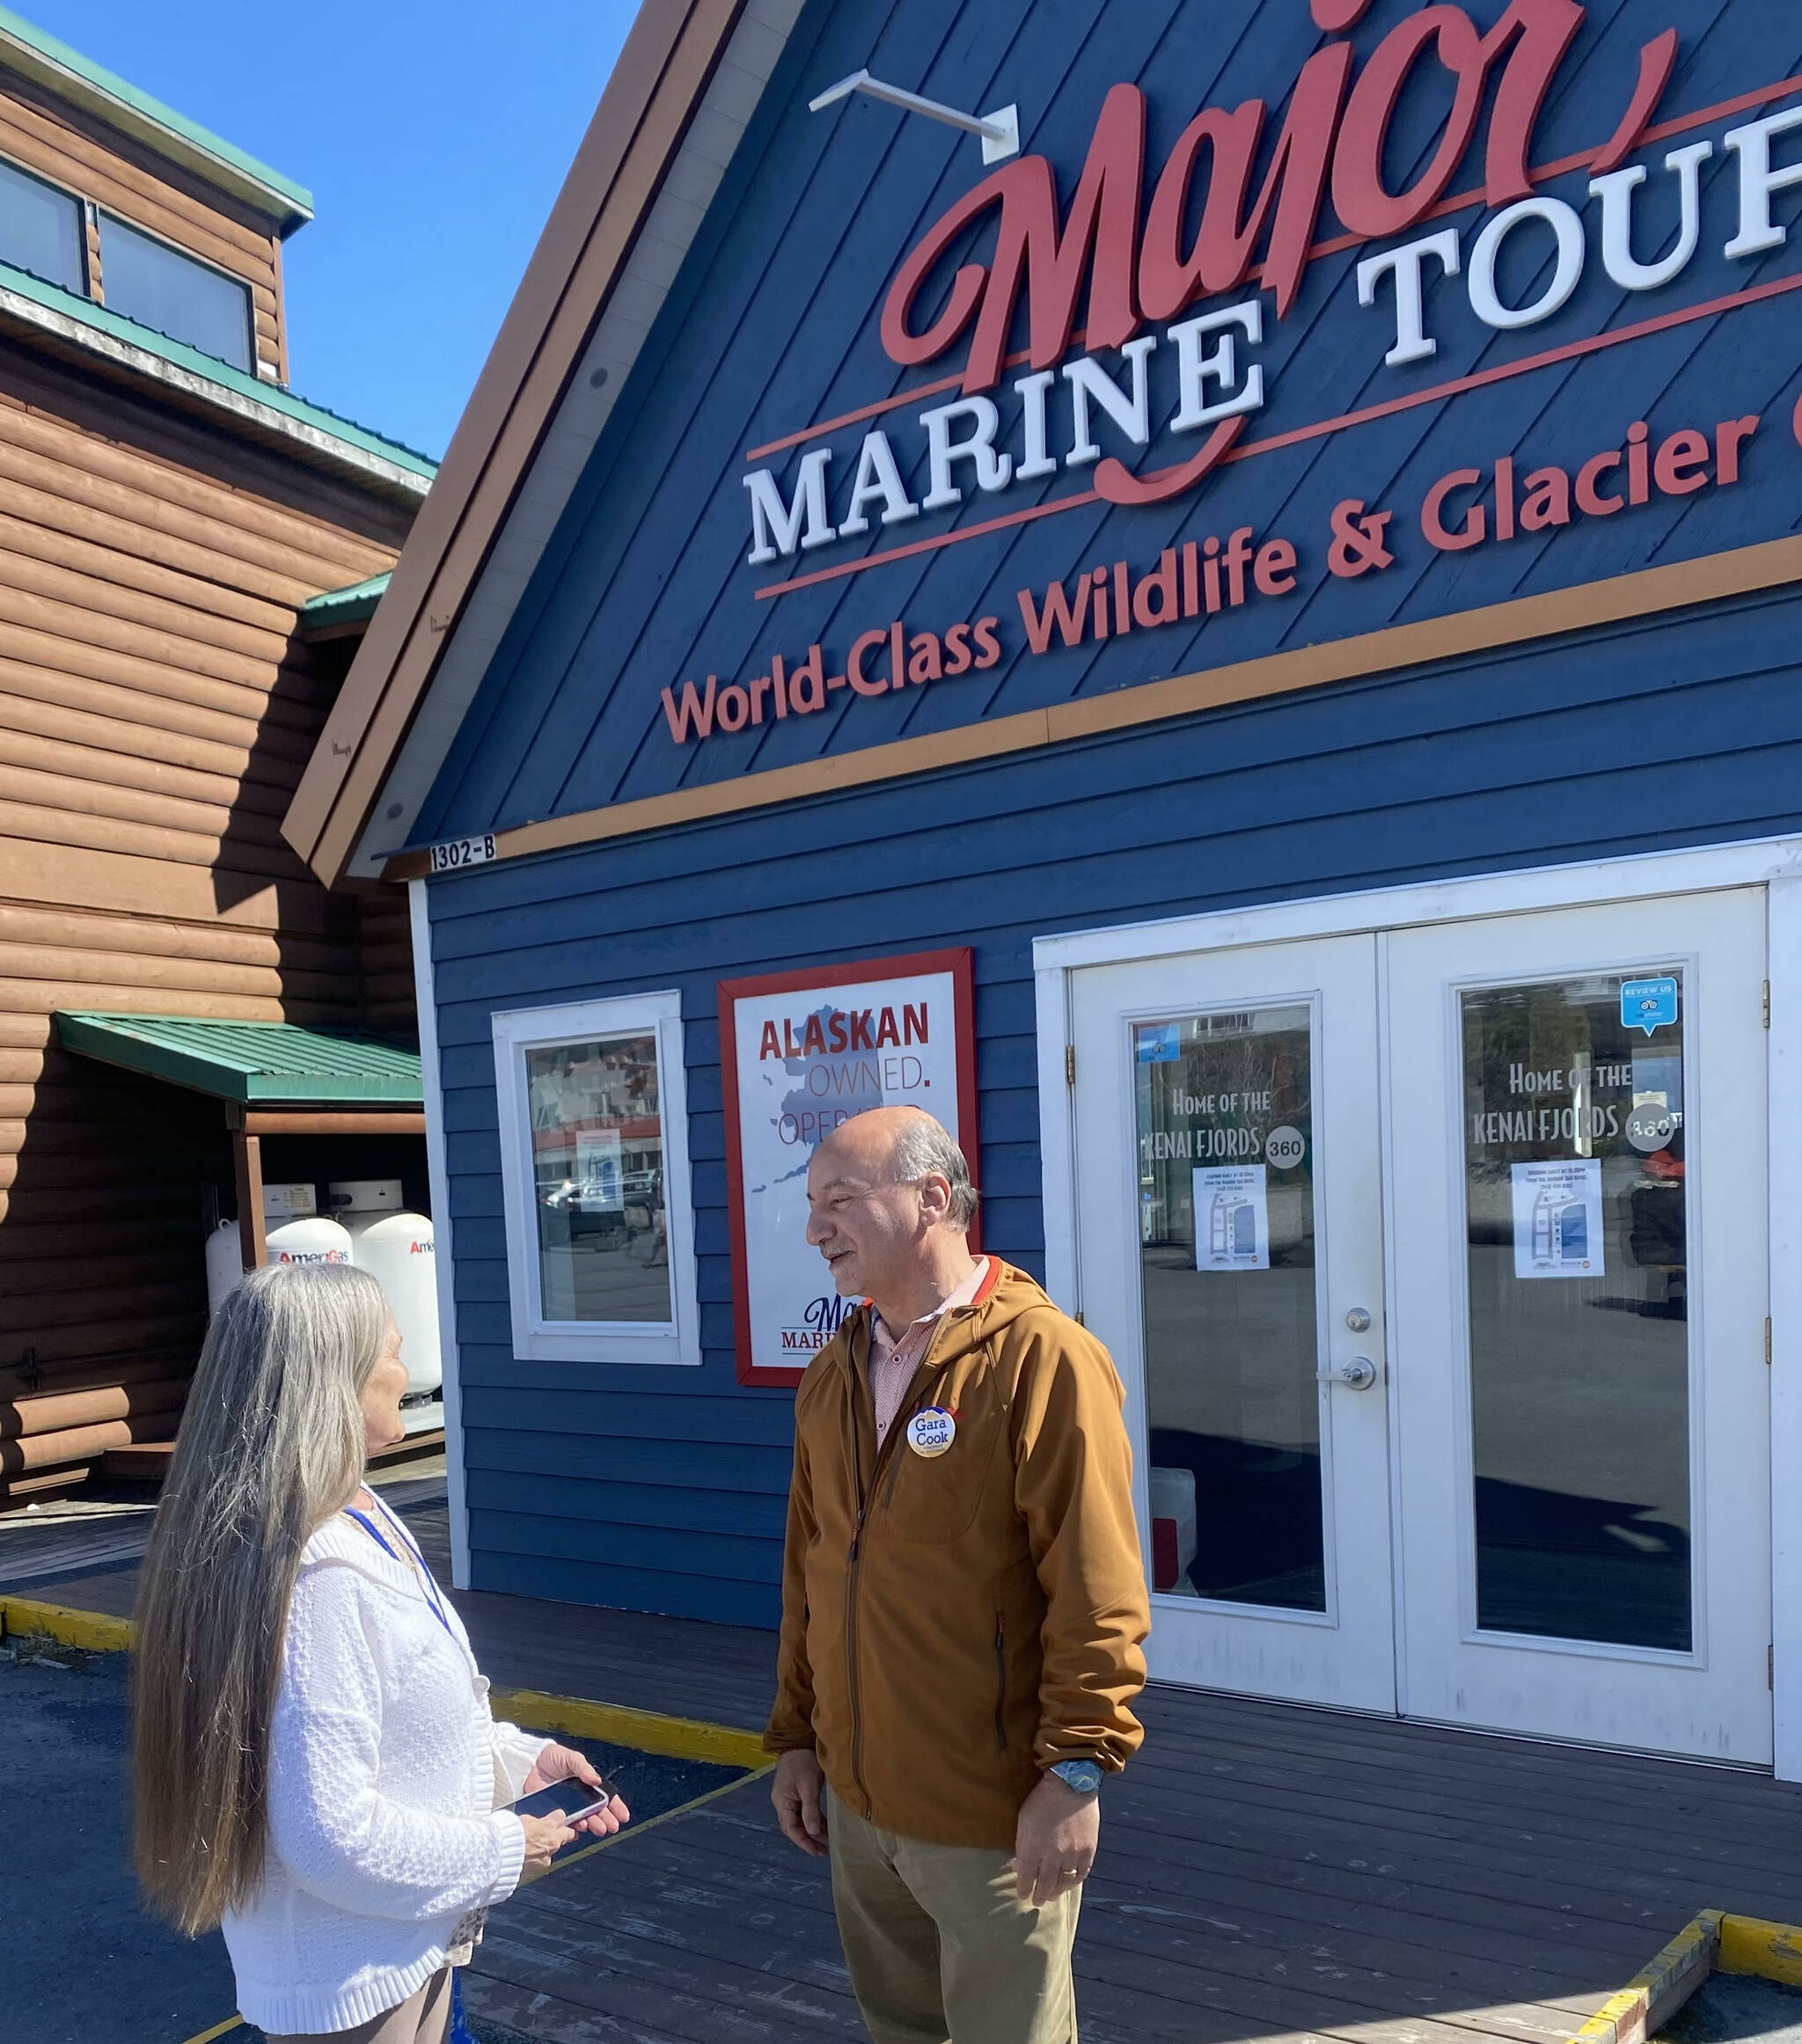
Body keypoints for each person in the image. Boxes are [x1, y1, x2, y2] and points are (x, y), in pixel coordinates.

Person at [133, 1262, 630, 2043]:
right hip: (357, 1990)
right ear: (335, 1378)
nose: (407, 1370)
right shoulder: (315, 1572)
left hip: (413, 1950)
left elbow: (395, 1723)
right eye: (394, 1351)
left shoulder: (358, 1506)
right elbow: (331, 1838)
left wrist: (512, 1764)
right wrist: (506, 1844)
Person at [765, 1106, 1149, 2044]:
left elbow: (1096, 1593)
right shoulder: (833, 1374)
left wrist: (1073, 1776)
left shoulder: (1041, 1359)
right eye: (813, 1205)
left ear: (933, 1198)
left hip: (992, 1816)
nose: (815, 1229)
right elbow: (810, 1576)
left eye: (840, 1201)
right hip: (857, 1808)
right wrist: (798, 1737)